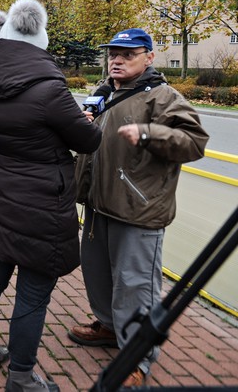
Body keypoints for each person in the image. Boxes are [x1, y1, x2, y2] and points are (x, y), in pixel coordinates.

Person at [0, 0, 103, 392]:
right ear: (37, 39)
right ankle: (22, 376)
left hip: (1, 188)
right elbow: (88, 139)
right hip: (41, 200)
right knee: (33, 290)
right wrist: (84, 120)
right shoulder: (49, 89)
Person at [69, 28, 209, 388]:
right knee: (98, 274)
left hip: (138, 210)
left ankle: (137, 356)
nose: (116, 59)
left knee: (135, 286)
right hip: (99, 204)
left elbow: (194, 142)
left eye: (127, 54)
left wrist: (148, 133)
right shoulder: (102, 94)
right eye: (113, 53)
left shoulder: (162, 97)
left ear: (149, 57)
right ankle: (108, 326)